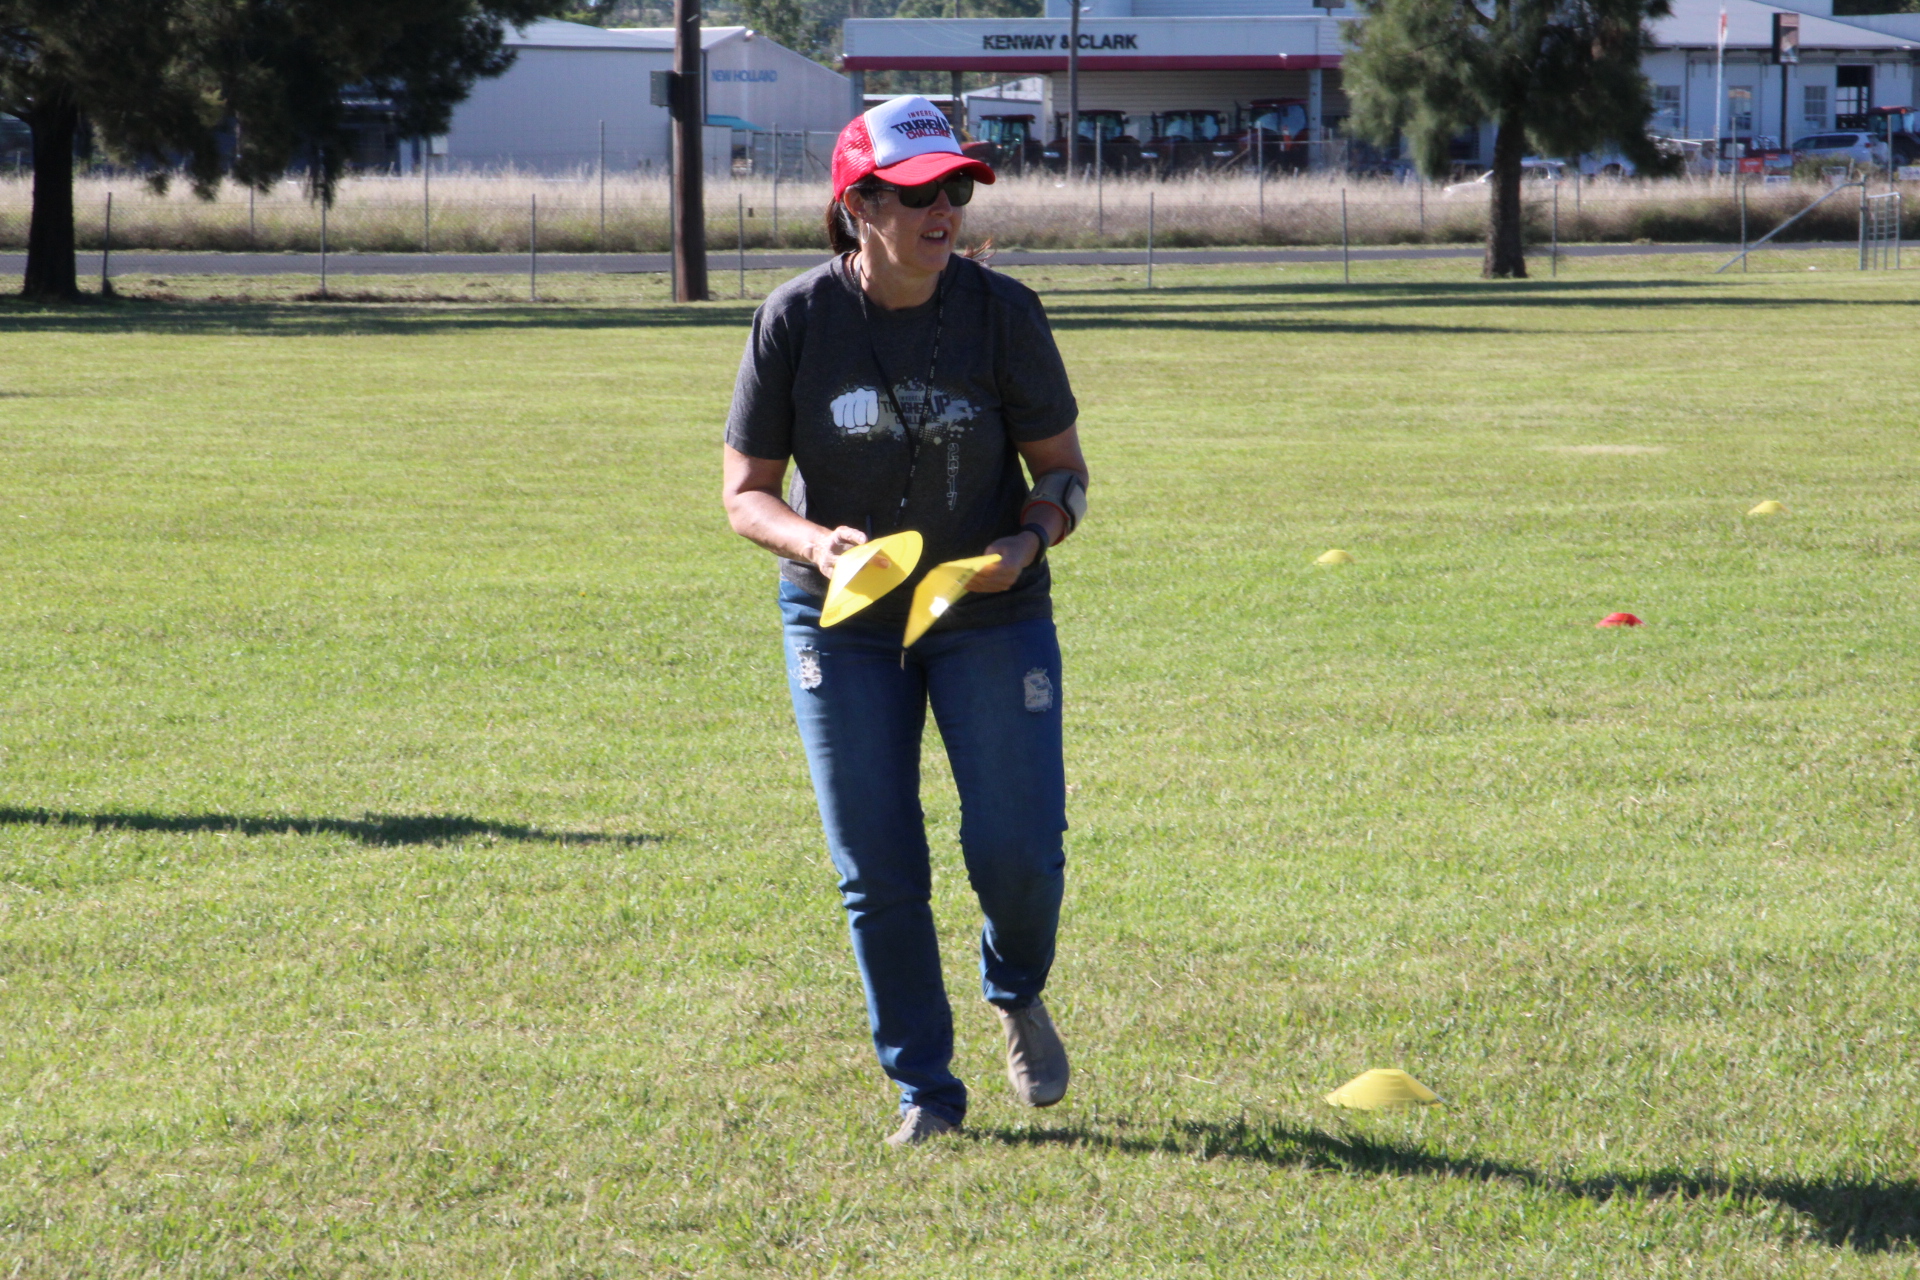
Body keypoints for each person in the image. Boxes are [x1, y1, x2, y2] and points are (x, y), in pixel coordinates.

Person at [721, 95, 1091, 1147]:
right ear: (861, 206)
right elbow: (745, 494)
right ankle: (924, 1088)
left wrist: (1028, 542)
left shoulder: (1004, 312)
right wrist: (816, 545)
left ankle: (1014, 985)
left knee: (1021, 852)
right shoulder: (796, 318)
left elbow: (1063, 472)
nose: (946, 210)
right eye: (922, 192)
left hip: (989, 610)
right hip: (841, 620)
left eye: (957, 189)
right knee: (876, 864)